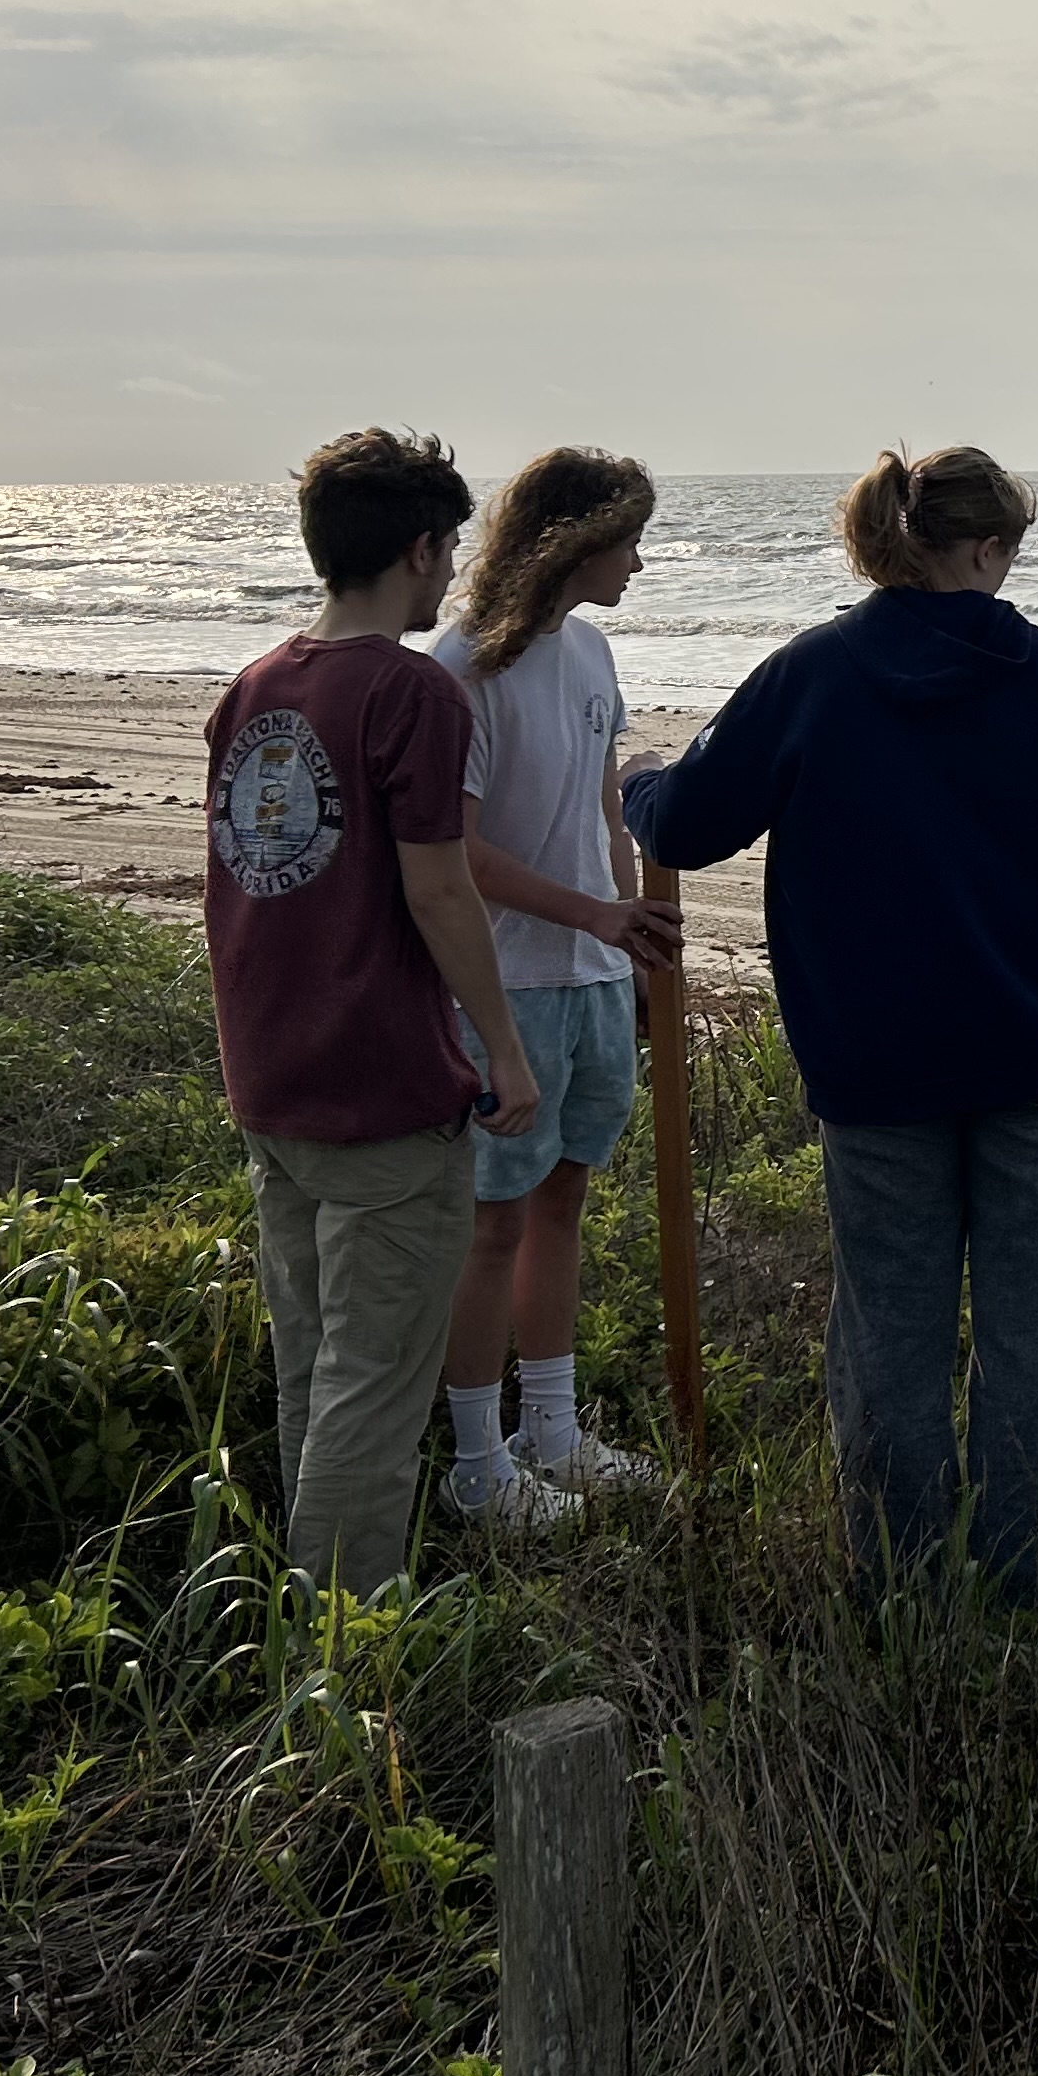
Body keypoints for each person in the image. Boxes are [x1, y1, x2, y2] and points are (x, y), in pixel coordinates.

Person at [620, 447, 1038, 1623]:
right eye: (1010, 550)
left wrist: (640, 785)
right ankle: (1027, 1616)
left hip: (878, 1064)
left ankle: (903, 1599)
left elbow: (693, 822)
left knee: (892, 1336)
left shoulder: (815, 672)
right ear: (984, 550)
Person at [202, 430, 541, 1598]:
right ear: (421, 549)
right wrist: (502, 1047)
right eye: (447, 549)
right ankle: (351, 1649)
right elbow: (439, 887)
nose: (451, 574)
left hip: (272, 1073)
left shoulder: (256, 686)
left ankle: (306, 1611)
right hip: (381, 1085)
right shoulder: (410, 692)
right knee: (377, 1380)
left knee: (314, 1358)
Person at [425, 447, 686, 1529]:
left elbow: (598, 818)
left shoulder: (591, 651)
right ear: (571, 540)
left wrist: (623, 940)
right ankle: (477, 1462)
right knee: (492, 1222)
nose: (637, 557)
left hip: (586, 976)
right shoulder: (464, 667)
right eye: (625, 536)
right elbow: (457, 850)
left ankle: (554, 1430)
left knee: (564, 1203)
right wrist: (590, 916)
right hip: (506, 981)